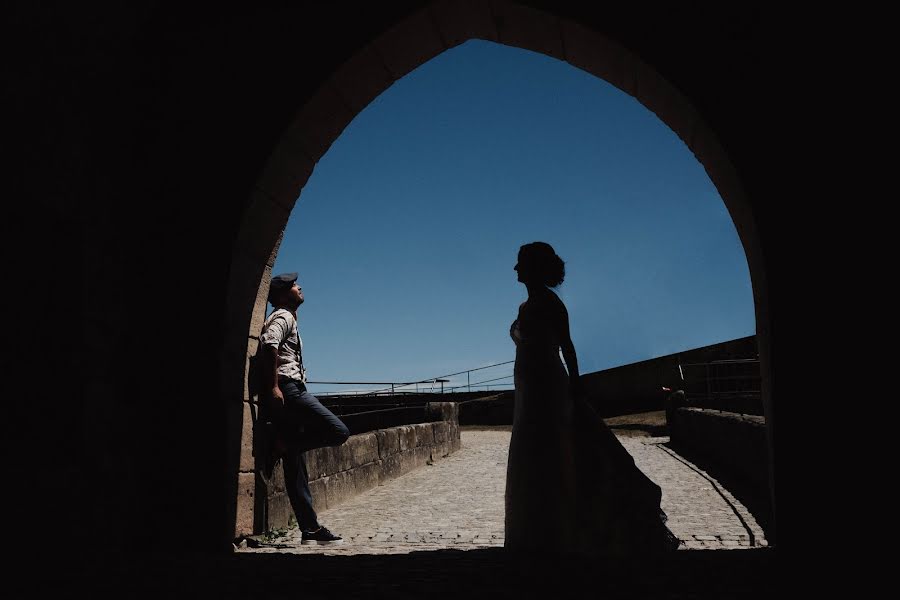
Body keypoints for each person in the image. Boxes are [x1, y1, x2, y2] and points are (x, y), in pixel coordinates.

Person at [505, 242, 680, 555]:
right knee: (533, 456)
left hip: (548, 387)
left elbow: (567, 347)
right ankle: (538, 533)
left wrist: (574, 385)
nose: (515, 269)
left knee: (554, 454)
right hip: (528, 390)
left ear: (532, 267)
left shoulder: (551, 304)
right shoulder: (526, 306)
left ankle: (559, 532)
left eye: (520, 263)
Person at [258, 272, 350, 545]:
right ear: (286, 294)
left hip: (288, 390)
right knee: (339, 431)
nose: (300, 287)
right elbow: (268, 343)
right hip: (289, 390)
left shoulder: (287, 317)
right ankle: (284, 443)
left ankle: (310, 529)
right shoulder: (283, 316)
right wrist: (274, 387)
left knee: (296, 466)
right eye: (294, 285)